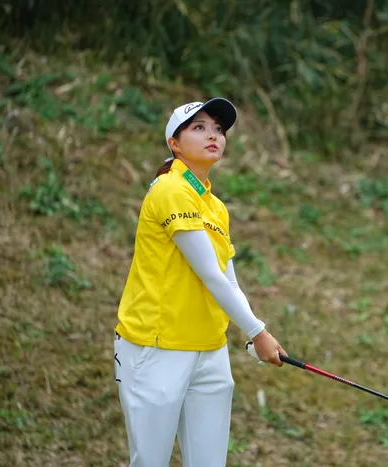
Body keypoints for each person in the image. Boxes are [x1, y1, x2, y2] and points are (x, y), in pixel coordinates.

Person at [113, 97, 287, 467]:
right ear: (174, 144)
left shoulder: (215, 207)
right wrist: (258, 332)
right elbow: (209, 273)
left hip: (210, 351)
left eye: (219, 129)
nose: (214, 135)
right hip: (157, 349)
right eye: (199, 127)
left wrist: (252, 331)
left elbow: (229, 281)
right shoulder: (169, 189)